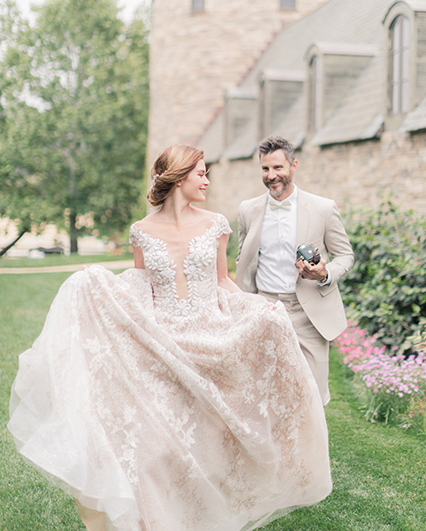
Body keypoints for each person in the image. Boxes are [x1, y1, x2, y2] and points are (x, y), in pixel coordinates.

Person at [8, 144, 332, 531]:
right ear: (179, 177)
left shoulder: (215, 224)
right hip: (163, 340)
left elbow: (221, 282)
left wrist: (259, 308)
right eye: (201, 173)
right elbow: (142, 285)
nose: (207, 180)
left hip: (209, 333)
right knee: (155, 444)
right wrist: (101, 292)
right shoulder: (141, 231)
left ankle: (206, 514)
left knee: (212, 443)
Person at [236, 136, 354, 406]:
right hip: (264, 307)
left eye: (278, 168)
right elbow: (244, 260)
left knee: (312, 396)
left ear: (293, 166)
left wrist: (324, 274)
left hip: (308, 312)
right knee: (264, 392)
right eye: (265, 169)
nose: (271, 175)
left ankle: (311, 449)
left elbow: (345, 255)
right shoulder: (248, 210)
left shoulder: (323, 208)